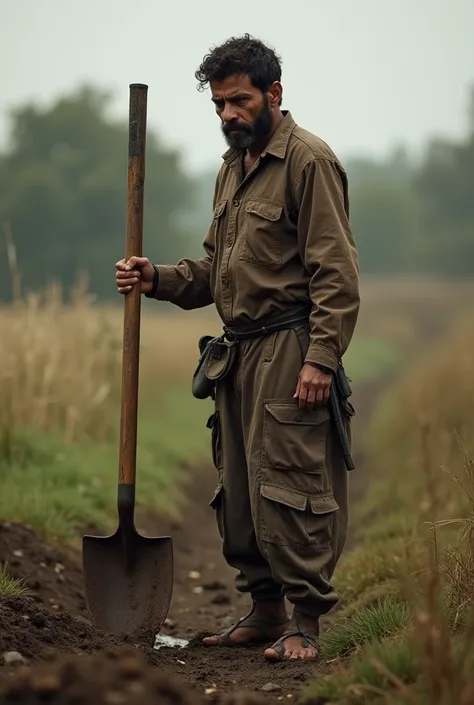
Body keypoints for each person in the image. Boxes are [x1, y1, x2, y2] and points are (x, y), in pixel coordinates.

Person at [116, 34, 360, 662]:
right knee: (242, 487)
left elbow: (337, 277)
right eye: (220, 105)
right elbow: (216, 268)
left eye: (240, 100)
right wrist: (158, 278)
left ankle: (304, 621)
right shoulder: (233, 166)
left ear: (273, 94)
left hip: (291, 347)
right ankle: (264, 607)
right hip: (238, 353)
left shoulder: (309, 162)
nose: (229, 115)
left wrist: (321, 358)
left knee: (292, 479)